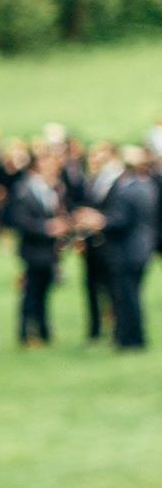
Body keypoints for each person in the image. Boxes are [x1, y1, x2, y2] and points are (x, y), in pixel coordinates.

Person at [76, 147, 157, 351]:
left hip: (127, 252)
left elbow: (121, 220)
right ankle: (131, 336)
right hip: (141, 250)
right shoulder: (146, 185)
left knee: (126, 297)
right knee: (131, 296)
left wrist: (97, 221)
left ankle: (130, 340)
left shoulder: (128, 189)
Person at [2, 151, 67, 346]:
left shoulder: (51, 189)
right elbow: (20, 221)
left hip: (49, 252)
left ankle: (43, 330)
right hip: (33, 251)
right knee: (30, 293)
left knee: (44, 292)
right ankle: (26, 333)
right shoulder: (25, 190)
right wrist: (46, 228)